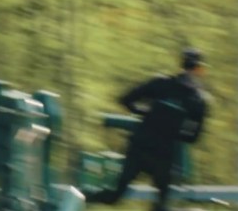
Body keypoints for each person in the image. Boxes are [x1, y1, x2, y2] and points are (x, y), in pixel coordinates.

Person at [84, 48, 210, 211]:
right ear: (200, 70)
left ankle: (77, 197)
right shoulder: (197, 100)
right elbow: (193, 137)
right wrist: (173, 130)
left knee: (114, 196)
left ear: (181, 64)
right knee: (160, 206)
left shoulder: (161, 84)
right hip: (163, 155)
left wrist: (146, 114)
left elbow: (126, 99)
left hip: (139, 147)